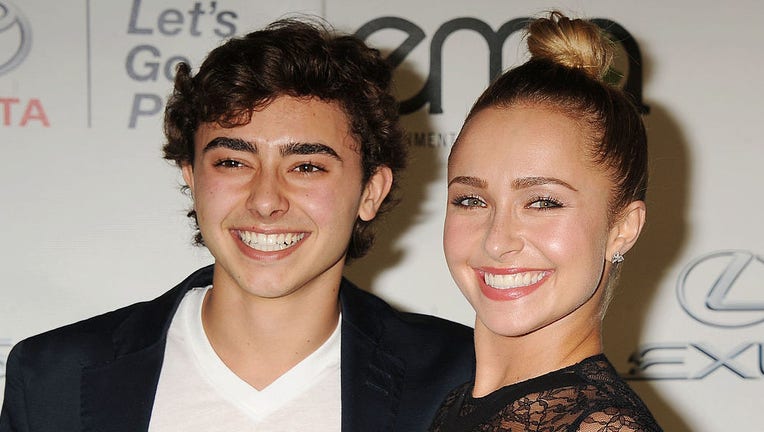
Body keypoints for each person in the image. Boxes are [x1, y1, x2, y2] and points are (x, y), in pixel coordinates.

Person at [0, 19, 474, 432]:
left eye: (307, 167)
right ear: (192, 177)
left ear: (370, 191)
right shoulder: (53, 377)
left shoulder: (461, 378)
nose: (265, 201)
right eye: (232, 162)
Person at [429, 12, 661, 432]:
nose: (497, 241)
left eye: (542, 203)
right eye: (471, 200)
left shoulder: (603, 427)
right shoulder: (451, 406)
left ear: (623, 228)